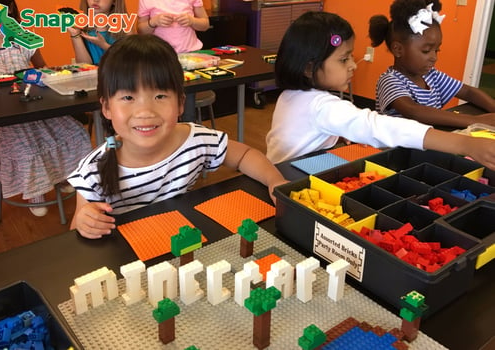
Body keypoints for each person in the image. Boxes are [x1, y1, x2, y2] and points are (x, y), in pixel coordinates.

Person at [67, 34, 286, 239]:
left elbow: (244, 155)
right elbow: (77, 230)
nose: (145, 112)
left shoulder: (196, 140)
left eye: (160, 95)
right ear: (106, 108)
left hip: (180, 244)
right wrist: (85, 221)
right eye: (128, 97)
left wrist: (274, 181)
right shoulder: (92, 170)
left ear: (180, 103)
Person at [265, 11, 495, 171]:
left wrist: (339, 132)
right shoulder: (321, 107)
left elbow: (311, 130)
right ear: (309, 68)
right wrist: (465, 145)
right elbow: (380, 126)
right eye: (344, 59)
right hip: (287, 179)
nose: (353, 65)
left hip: (286, 169)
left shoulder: (290, 95)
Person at [0, 0, 92, 217]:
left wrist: (57, 77)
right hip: (5, 115)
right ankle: (35, 194)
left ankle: (64, 176)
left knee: (74, 133)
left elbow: (42, 68)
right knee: (27, 147)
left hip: (32, 102)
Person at [368, 0, 495, 129]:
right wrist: (473, 121)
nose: (434, 57)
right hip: (399, 147)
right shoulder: (390, 81)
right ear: (398, 49)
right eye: (426, 51)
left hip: (428, 142)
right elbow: (414, 111)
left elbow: (468, 92)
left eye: (437, 50)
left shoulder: (432, 76)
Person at [67, 0, 129, 64]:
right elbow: (84, 65)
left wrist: (104, 45)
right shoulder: (81, 26)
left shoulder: (125, 26)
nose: (95, 0)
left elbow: (131, 60)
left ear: (114, 1)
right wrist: (75, 35)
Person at [137, 0, 209, 53]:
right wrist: (154, 22)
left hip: (191, 53)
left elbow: (205, 24)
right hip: (160, 54)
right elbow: (141, 31)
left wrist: (192, 21)